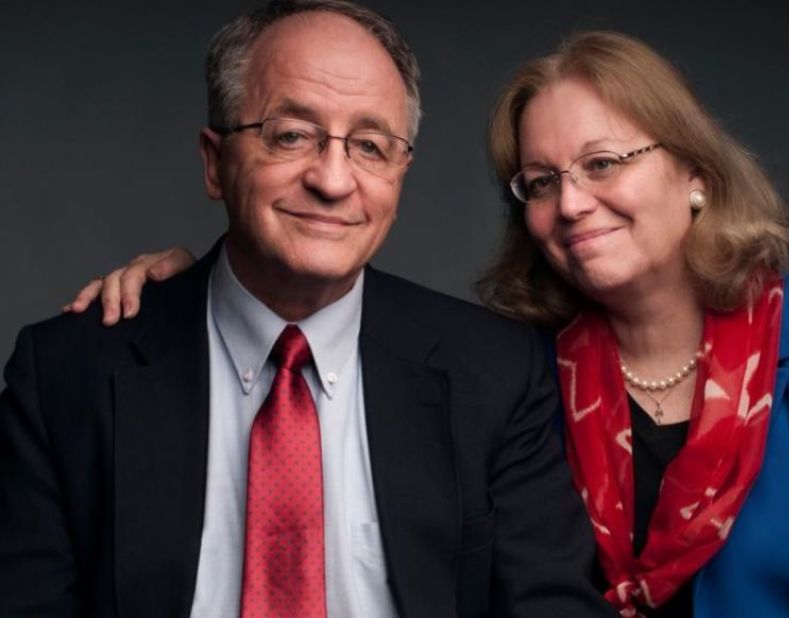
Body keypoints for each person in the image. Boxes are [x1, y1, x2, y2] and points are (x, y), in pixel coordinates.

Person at [79, 30, 789, 618]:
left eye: (605, 163)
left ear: (695, 178)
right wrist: (195, 294)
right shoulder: (524, 370)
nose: (572, 203)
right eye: (541, 182)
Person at [0, 3, 617, 617]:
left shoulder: (496, 374)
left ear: (401, 175)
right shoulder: (66, 374)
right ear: (215, 163)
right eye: (291, 135)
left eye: (371, 147)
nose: (333, 179)